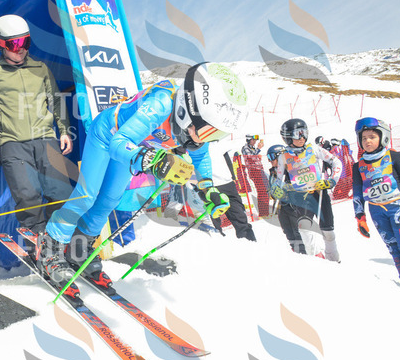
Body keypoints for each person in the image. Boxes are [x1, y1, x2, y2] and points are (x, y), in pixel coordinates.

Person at [37, 62, 249, 294]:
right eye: (209, 131)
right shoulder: (160, 105)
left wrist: (208, 189)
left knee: (109, 200)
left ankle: (80, 250)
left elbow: (201, 158)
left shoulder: (196, 131)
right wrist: (153, 161)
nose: (208, 139)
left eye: (217, 134)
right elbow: (119, 142)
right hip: (107, 136)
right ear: (186, 110)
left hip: (135, 146)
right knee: (87, 195)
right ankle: (50, 248)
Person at [0, 14, 73, 237]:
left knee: (61, 193)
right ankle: (38, 244)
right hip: (12, 143)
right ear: (1, 44)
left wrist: (64, 130)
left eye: (25, 42)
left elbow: (56, 100)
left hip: (45, 138)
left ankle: (60, 241)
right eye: (14, 44)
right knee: (28, 197)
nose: (21, 49)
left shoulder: (40, 68)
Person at [270, 118, 342, 262]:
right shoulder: (284, 157)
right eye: (298, 134)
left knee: (328, 231)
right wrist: (276, 191)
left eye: (304, 133)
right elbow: (278, 180)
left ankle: (333, 258)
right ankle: (316, 258)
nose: (302, 137)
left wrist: (331, 180)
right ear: (288, 137)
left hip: (318, 193)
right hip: (300, 197)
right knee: (305, 231)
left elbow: (336, 161)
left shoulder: (313, 149)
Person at [352, 117, 400, 285]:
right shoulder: (358, 166)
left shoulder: (394, 156)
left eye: (372, 137)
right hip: (376, 211)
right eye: (364, 138)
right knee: (393, 248)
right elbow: (357, 193)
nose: (367, 141)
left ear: (383, 137)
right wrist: (360, 217)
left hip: (398, 207)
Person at [267, 143, 307, 254]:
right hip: (282, 207)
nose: (270, 161)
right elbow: (271, 189)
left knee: (297, 231)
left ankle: (305, 254)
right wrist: (274, 193)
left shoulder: (292, 168)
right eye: (268, 158)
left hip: (294, 205)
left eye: (271, 157)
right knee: (288, 231)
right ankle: (297, 252)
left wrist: (286, 188)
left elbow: (301, 184)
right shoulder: (273, 172)